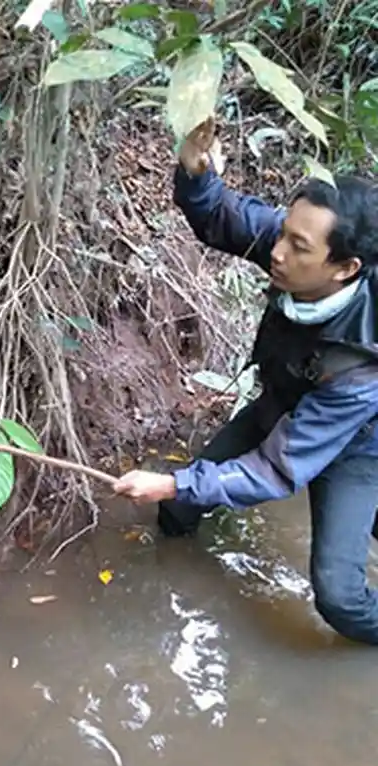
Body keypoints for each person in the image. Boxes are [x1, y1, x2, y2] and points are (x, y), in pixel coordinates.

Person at [113, 116, 378, 645]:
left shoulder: (360, 366)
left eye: (299, 246)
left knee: (338, 594)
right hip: (280, 406)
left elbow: (279, 469)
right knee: (179, 508)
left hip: (356, 446)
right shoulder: (293, 254)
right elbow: (221, 216)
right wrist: (195, 173)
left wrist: (170, 478)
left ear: (345, 268)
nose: (277, 252)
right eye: (284, 233)